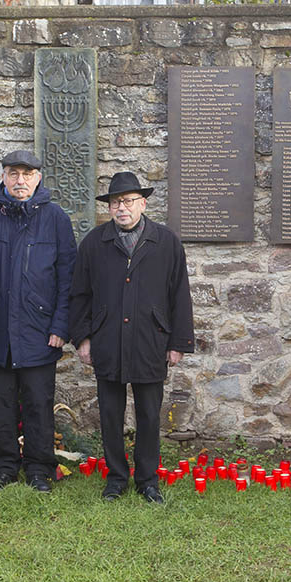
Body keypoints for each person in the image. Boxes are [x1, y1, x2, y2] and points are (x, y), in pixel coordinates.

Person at [68, 171, 194, 504]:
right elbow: (79, 294)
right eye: (115, 202)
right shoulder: (95, 243)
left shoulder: (166, 242)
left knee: (149, 415)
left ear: (143, 203)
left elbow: (179, 294)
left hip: (150, 341)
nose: (121, 207)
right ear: (109, 208)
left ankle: (147, 479)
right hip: (107, 340)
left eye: (128, 201)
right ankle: (116, 478)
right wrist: (82, 338)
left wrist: (178, 343)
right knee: (110, 413)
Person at [0, 151, 76, 493]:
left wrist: (61, 327)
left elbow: (68, 278)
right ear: (3, 176)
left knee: (38, 403)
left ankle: (39, 469)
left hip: (39, 331)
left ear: (38, 178)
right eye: (14, 173)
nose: (20, 181)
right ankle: (2, 468)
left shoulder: (56, 218)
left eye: (27, 174)